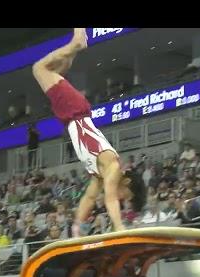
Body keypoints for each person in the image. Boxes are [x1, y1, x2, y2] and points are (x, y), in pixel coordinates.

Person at [32, 28, 145, 237]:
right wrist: (119, 227)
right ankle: (75, 43)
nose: (122, 200)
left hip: (71, 114)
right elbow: (110, 198)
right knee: (39, 68)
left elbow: (90, 198)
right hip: (74, 111)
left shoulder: (100, 174)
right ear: (127, 182)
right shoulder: (112, 167)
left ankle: (75, 44)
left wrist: (77, 227)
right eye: (127, 197)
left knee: (55, 72)